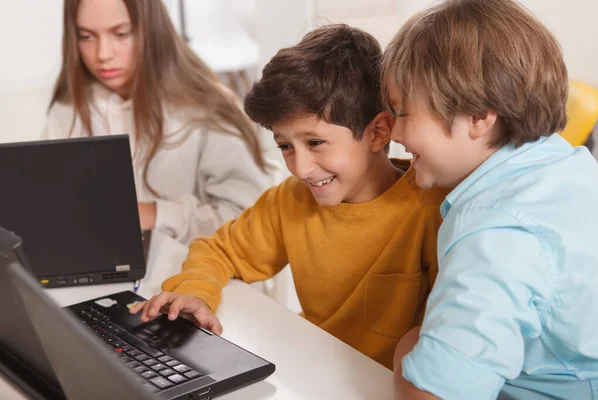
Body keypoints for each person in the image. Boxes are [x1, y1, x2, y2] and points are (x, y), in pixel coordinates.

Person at [130, 24, 449, 369]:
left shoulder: (432, 207)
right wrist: (195, 292)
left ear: (379, 132)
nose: (301, 167)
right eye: (285, 146)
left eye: (315, 143)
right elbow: (219, 250)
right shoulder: (291, 200)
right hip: (308, 371)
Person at [382, 0, 598, 398]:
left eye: (403, 113)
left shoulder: (497, 232)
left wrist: (407, 348)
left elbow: (433, 394)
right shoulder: (564, 163)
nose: (394, 133)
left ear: (479, 117)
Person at [43, 0, 271, 246]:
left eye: (121, 34)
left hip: (195, 277)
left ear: (152, 29)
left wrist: (153, 214)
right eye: (86, 36)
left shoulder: (207, 110)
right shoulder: (66, 112)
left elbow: (250, 222)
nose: (103, 54)